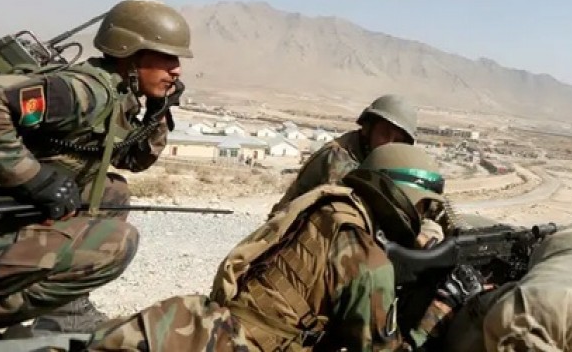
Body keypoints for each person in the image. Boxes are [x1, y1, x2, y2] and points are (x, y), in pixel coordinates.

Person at [84, 143, 484, 352]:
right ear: (407, 198)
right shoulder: (366, 259)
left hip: (198, 324)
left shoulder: (325, 209)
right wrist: (440, 311)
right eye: (423, 207)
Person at [0, 0, 192, 336]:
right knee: (116, 243)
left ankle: (67, 312)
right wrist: (32, 178)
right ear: (130, 52)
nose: (176, 69)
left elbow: (135, 160)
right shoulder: (85, 91)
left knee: (110, 191)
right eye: (167, 57)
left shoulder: (120, 95)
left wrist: (158, 111)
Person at [271, 94, 417, 213]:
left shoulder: (384, 161)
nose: (390, 144)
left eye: (398, 140)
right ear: (367, 129)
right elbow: (345, 210)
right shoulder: (338, 158)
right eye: (384, 134)